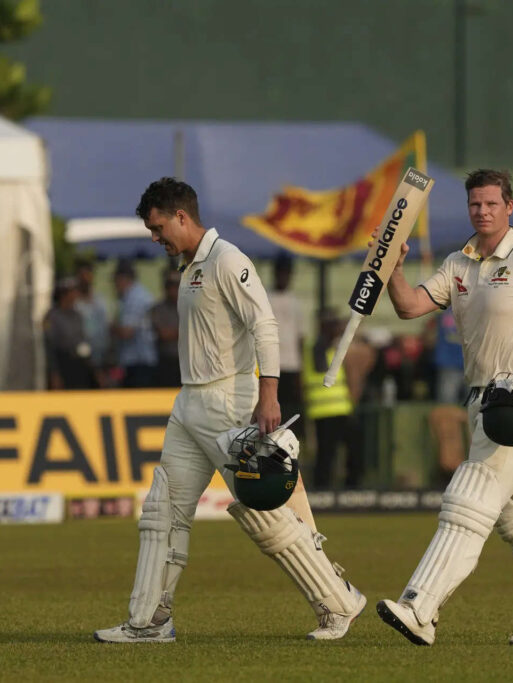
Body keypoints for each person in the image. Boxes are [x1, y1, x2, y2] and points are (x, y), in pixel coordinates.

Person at [95, 177, 364, 644]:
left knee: (265, 515)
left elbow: (265, 326)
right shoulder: (189, 266)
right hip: (190, 405)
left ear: (182, 216)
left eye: (159, 228)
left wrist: (269, 394)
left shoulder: (227, 260)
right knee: (162, 513)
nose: (155, 238)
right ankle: (148, 622)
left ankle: (339, 603)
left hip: (228, 403)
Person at [374, 169, 513, 646]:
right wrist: (392, 267)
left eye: (492, 203)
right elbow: (410, 306)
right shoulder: (459, 263)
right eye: (476, 204)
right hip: (478, 400)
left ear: (509, 206)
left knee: (466, 501)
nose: (483, 211)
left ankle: (420, 607)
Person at [302, 309, 361, 489]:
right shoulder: (317, 348)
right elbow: (322, 368)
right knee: (326, 455)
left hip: (340, 408)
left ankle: (348, 487)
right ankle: (323, 490)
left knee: (350, 451)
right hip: (326, 411)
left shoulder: (333, 348)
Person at [265, 252, 304, 437]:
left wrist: (301, 369)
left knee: (289, 415)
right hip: (270, 368)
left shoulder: (295, 302)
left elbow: (300, 337)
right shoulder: (266, 298)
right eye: (280, 272)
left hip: (291, 366)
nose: (283, 276)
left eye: (286, 273)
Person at [111, 260, 158, 387]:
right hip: (135, 361)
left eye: (116, 280)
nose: (115, 285)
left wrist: (112, 328)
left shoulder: (136, 297)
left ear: (123, 278)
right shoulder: (129, 297)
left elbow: (127, 332)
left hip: (140, 362)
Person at [44, 277, 96, 389]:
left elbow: (83, 341)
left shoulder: (77, 315)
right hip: (63, 365)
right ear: (64, 294)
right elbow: (50, 347)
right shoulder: (53, 317)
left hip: (80, 365)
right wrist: (54, 373)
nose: (76, 295)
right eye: (72, 291)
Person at [74, 258, 111, 387]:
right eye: (82, 275)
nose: (85, 278)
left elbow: (104, 331)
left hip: (100, 359)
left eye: (87, 275)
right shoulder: (73, 303)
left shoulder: (100, 301)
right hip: (78, 361)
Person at [150, 268, 182, 387]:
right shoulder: (158, 308)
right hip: (166, 362)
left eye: (176, 285)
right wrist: (185, 331)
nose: (173, 289)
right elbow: (163, 334)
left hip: (187, 362)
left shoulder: (188, 306)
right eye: (170, 285)